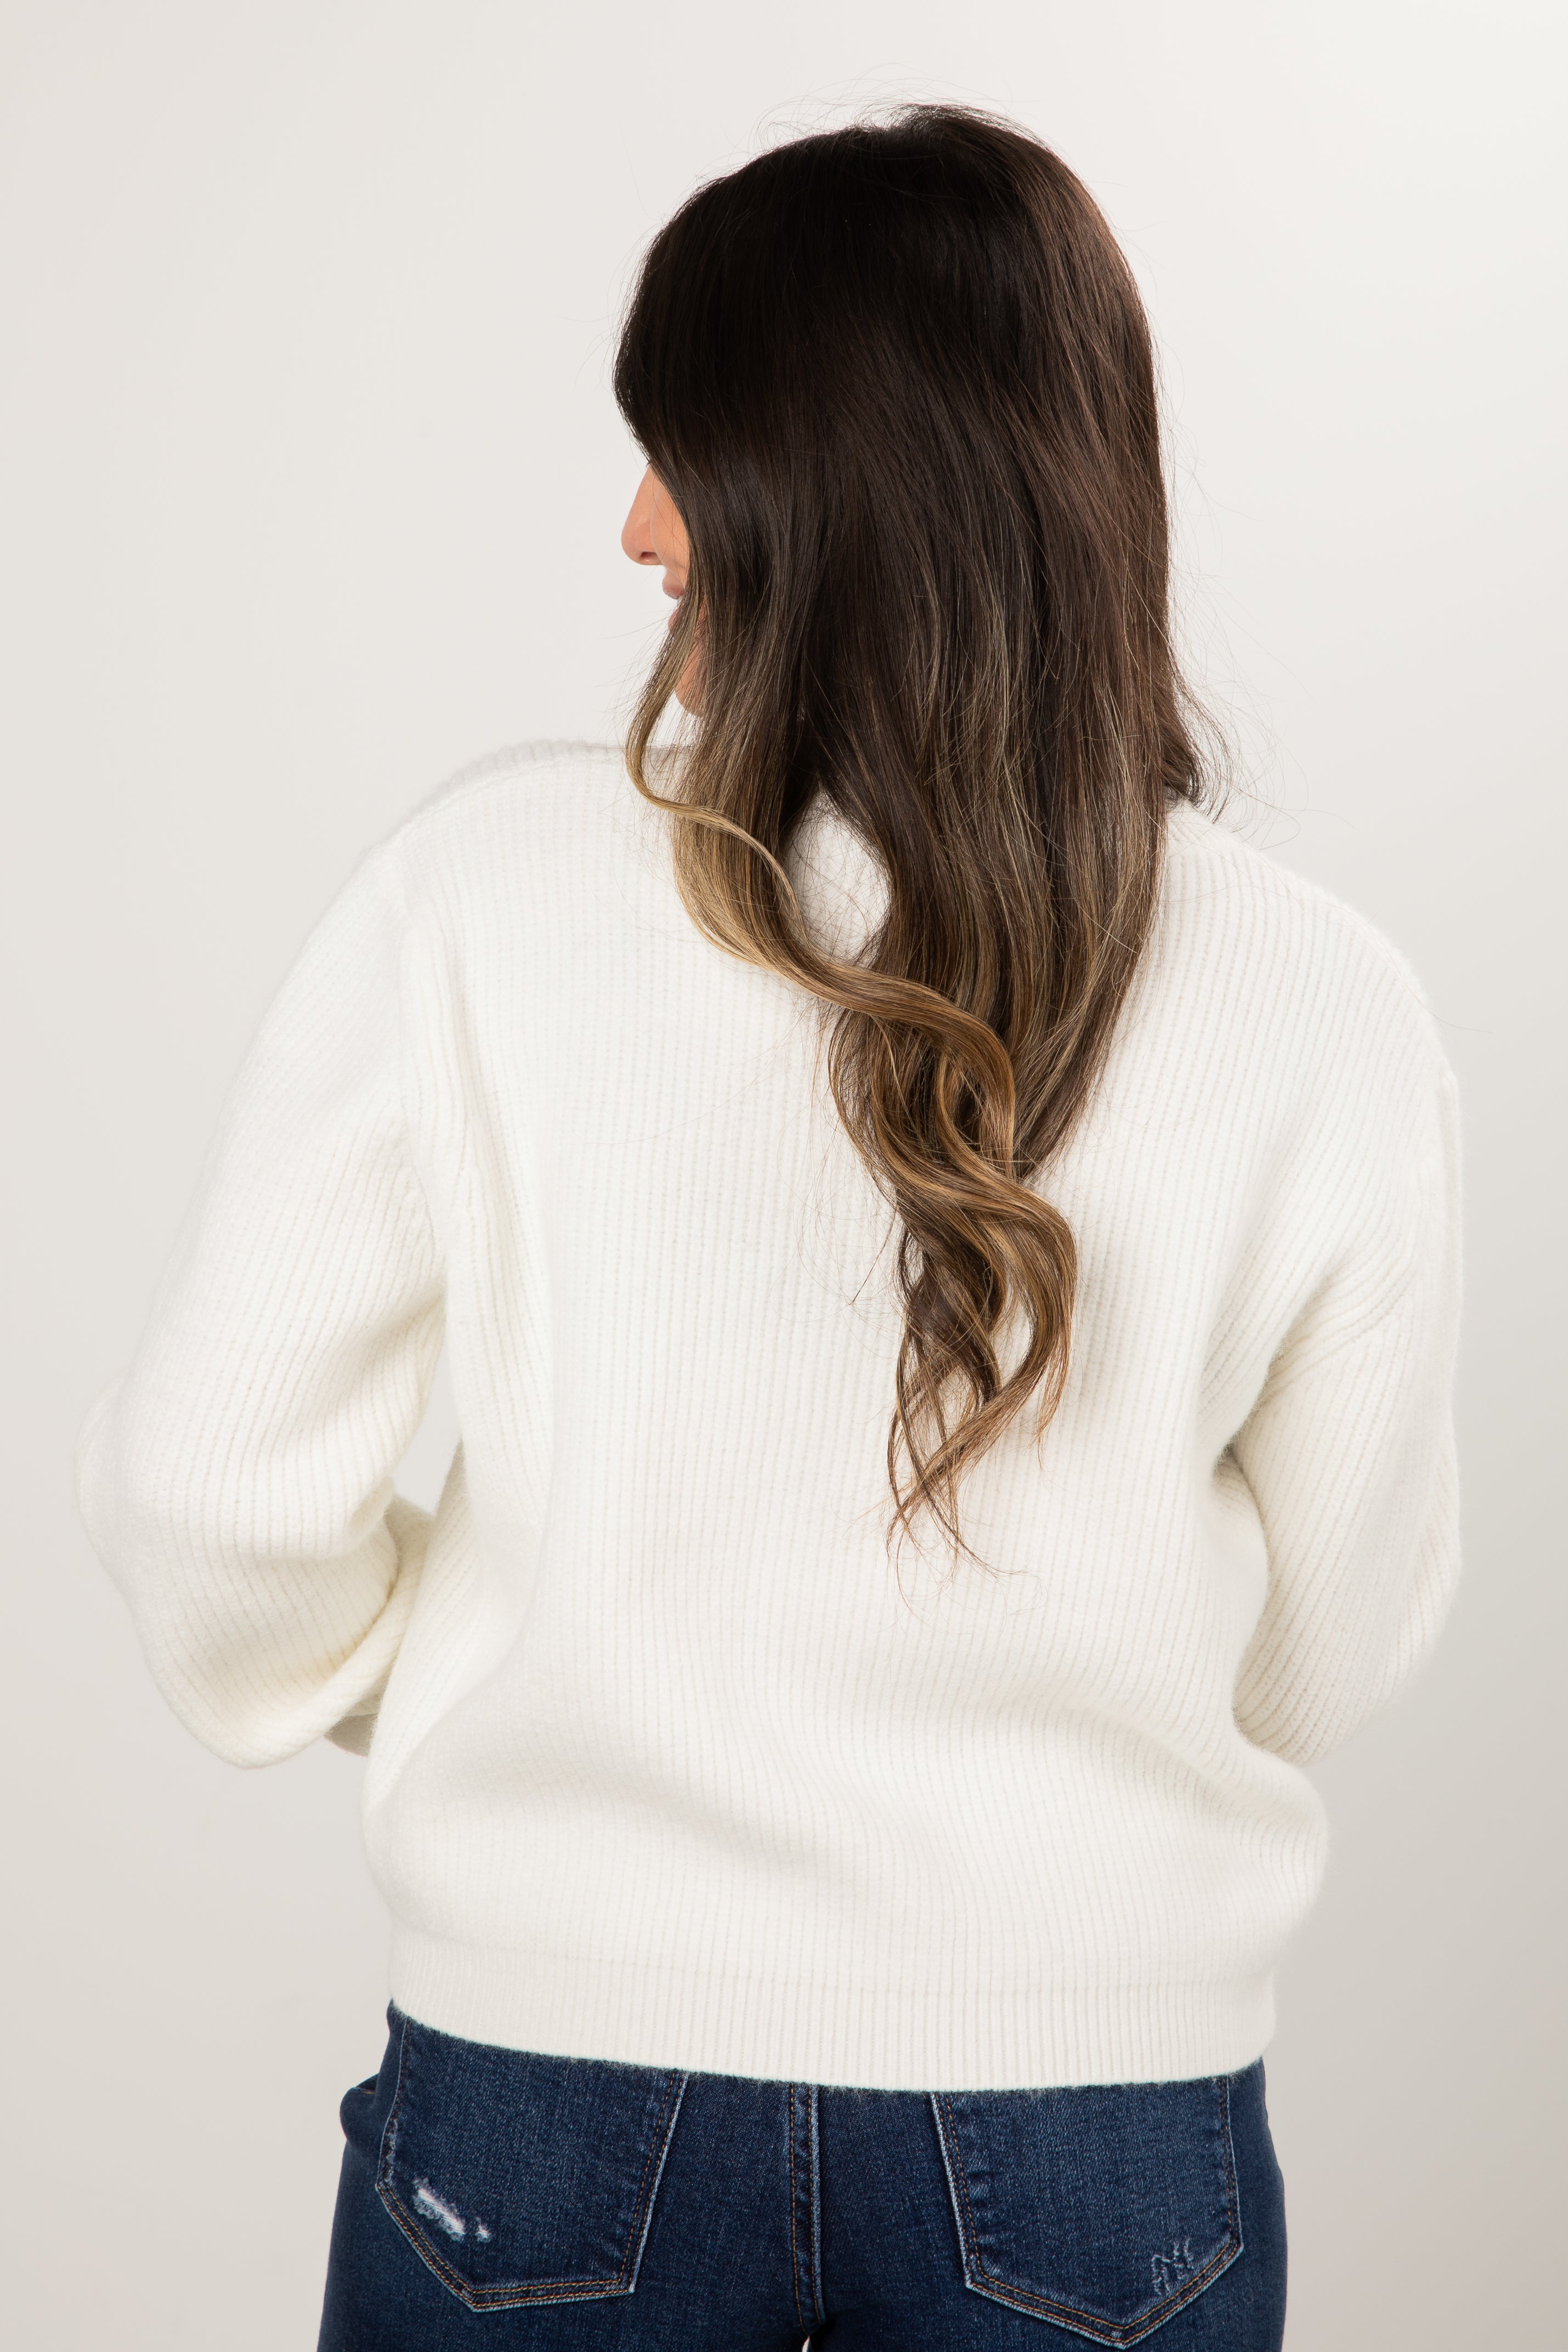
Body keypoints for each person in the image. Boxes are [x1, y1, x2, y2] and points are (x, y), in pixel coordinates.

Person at [76, 106, 1461, 2351]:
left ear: (839, 490)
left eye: (684, 455)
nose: (636, 529)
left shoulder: (480, 904)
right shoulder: (1321, 998)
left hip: (545, 2095)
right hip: (1101, 2130)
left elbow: (213, 1507)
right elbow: (1335, 1640)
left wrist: (500, 1660)